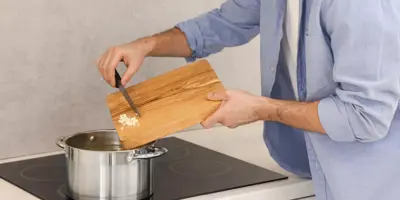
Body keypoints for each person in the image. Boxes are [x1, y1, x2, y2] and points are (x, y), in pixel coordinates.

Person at [96, 1, 400, 199]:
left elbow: (364, 116)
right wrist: (145, 45)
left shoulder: (360, 5)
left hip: (373, 184)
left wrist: (259, 109)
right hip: (313, 165)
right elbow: (222, 24)